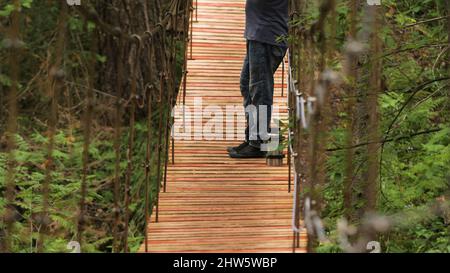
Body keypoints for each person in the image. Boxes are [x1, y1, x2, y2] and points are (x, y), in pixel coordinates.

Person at [228, 0, 289, 158]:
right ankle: (253, 137)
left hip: (267, 35)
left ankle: (258, 143)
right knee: (247, 84)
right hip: (259, 33)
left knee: (259, 89)